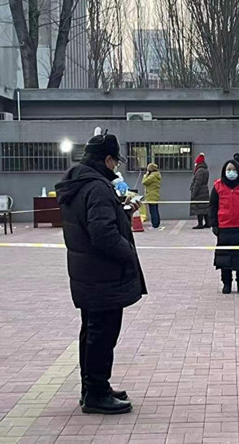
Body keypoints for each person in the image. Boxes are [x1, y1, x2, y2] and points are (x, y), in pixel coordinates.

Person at [55, 131, 147, 415]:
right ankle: (96, 392)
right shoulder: (97, 187)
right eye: (115, 161)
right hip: (103, 275)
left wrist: (123, 212)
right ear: (107, 159)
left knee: (92, 332)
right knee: (103, 335)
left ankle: (93, 387)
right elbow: (103, 233)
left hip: (88, 273)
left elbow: (94, 223)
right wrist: (128, 253)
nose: (116, 167)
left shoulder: (79, 183)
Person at [209, 160, 239, 294]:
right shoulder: (218, 186)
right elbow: (212, 207)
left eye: (234, 170)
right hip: (224, 228)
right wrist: (214, 224)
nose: (231, 172)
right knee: (224, 258)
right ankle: (226, 283)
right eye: (228, 170)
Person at [190, 153, 211, 229]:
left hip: (200, 192)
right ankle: (208, 222)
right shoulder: (205, 170)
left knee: (199, 208)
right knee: (204, 208)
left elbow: (197, 183)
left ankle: (200, 224)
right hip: (205, 191)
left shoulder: (199, 171)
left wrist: (194, 193)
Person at [142, 163, 162, 230]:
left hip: (151, 195)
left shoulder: (152, 176)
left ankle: (155, 225)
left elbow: (144, 182)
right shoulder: (157, 175)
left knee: (153, 211)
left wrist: (145, 175)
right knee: (155, 209)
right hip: (155, 194)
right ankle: (157, 223)